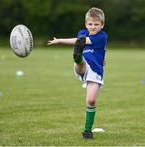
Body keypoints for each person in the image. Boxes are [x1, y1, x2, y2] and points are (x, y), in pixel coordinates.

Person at [47, 7, 108, 139]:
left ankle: (87, 130)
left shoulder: (102, 36)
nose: (93, 27)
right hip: (84, 65)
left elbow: (83, 41)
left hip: (95, 70)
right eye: (90, 24)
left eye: (96, 24)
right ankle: (77, 56)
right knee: (80, 63)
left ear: (102, 25)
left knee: (91, 100)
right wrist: (59, 40)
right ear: (86, 24)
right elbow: (78, 39)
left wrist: (103, 59)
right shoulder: (82, 33)